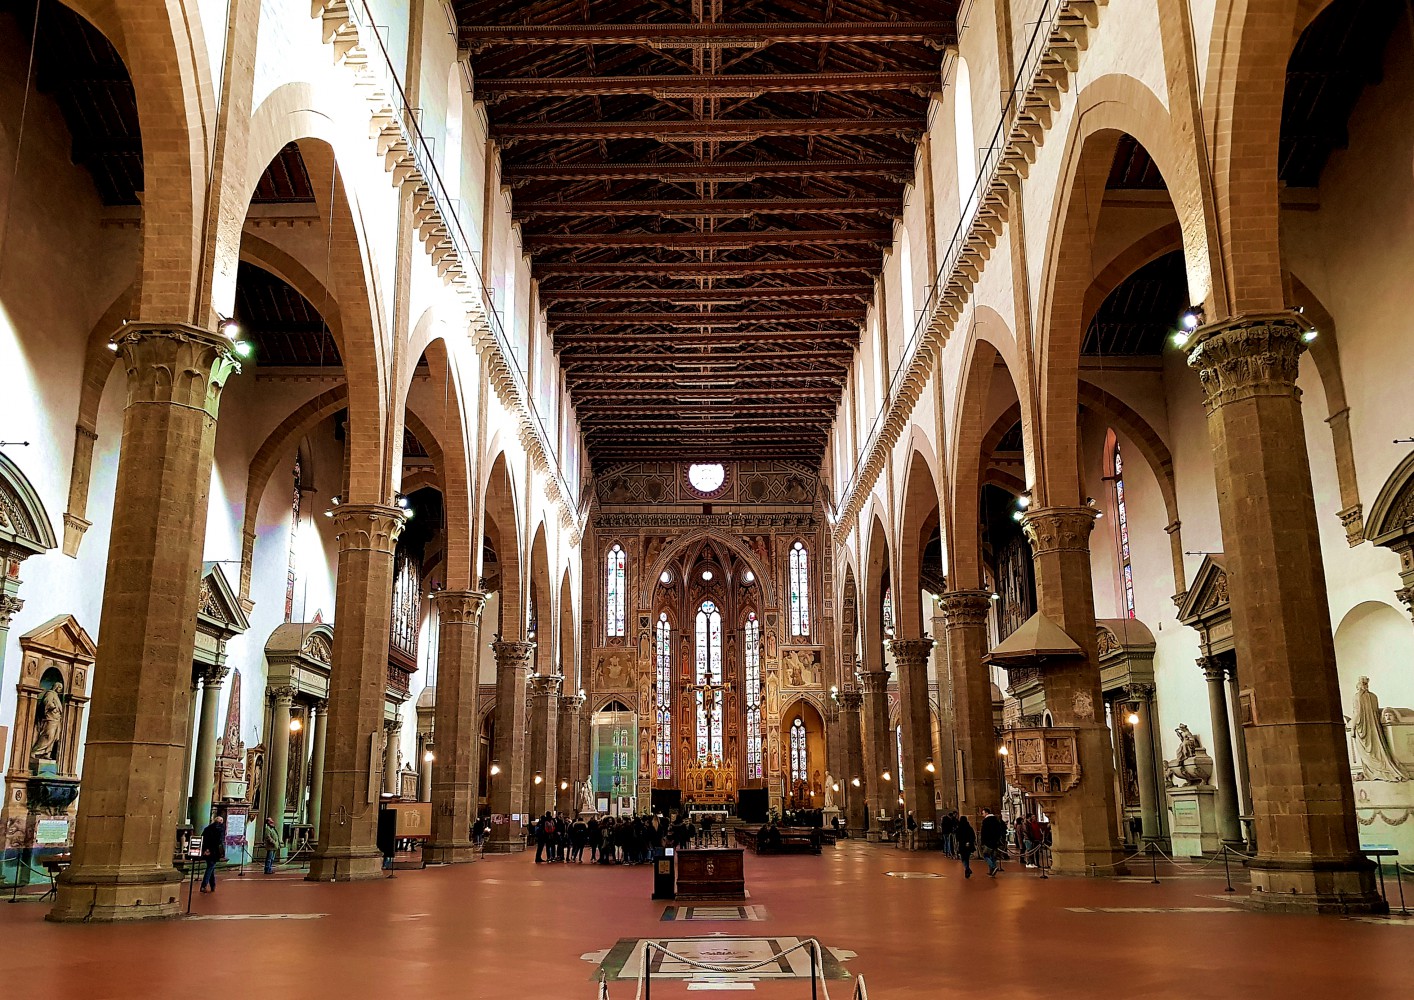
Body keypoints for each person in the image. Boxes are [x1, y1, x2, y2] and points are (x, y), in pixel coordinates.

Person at [200, 814, 227, 893]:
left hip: (207, 851)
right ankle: (203, 885)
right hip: (214, 851)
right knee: (210, 867)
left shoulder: (208, 828)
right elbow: (219, 841)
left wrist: (206, 849)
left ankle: (213, 885)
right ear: (221, 822)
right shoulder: (221, 829)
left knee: (211, 867)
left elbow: (203, 839)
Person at [980, 808, 1006, 877]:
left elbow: (983, 832)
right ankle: (991, 872)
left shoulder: (985, 821)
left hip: (988, 841)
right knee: (993, 856)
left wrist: (982, 841)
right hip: (995, 841)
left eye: (983, 813)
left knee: (985, 855)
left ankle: (993, 867)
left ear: (986, 813)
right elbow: (999, 831)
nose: (983, 815)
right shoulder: (996, 820)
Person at [955, 814, 977, 879]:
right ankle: (967, 868)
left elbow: (957, 837)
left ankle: (967, 868)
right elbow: (973, 836)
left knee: (963, 858)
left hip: (962, 845)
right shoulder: (969, 828)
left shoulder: (959, 828)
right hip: (968, 844)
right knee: (967, 858)